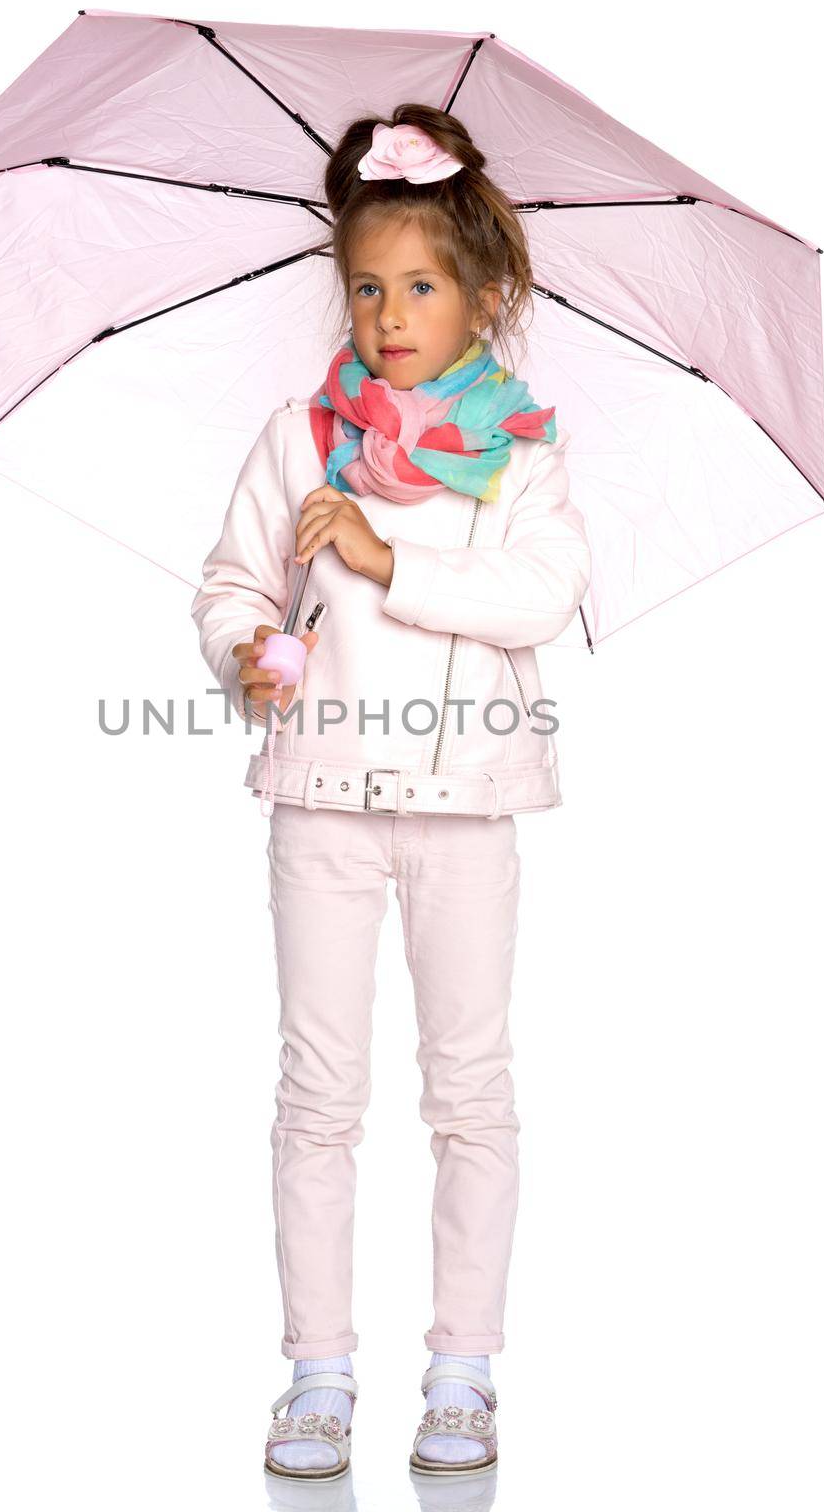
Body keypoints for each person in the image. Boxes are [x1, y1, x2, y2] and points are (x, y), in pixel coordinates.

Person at [191, 105, 593, 1481]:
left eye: (420, 284)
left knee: (470, 1088)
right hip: (323, 803)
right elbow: (235, 580)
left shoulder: (520, 452)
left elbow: (545, 591)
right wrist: (247, 652)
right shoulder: (303, 439)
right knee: (319, 1091)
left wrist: (382, 559)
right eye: (368, 285)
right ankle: (317, 1370)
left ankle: (464, 1371)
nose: (390, 311)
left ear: (489, 295)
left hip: (471, 803)